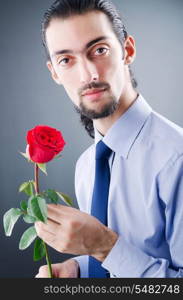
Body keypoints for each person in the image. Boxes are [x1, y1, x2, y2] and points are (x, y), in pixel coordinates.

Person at [35, 0, 183, 278]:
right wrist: (78, 267)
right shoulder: (86, 166)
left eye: (99, 50)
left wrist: (104, 247)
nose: (87, 74)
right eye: (66, 60)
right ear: (54, 72)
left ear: (127, 50)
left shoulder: (177, 160)